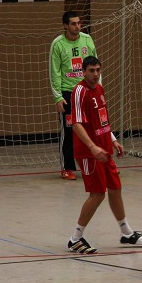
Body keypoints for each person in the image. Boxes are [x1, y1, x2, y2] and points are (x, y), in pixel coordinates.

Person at [66, 57, 142, 254]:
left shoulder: (100, 89)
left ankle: (126, 232)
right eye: (91, 71)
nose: (95, 74)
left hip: (105, 150)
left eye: (98, 70)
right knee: (97, 194)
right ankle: (75, 238)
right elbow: (77, 124)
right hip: (90, 153)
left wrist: (112, 140)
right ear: (83, 71)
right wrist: (93, 148)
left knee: (115, 188)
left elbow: (102, 121)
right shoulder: (79, 91)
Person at [50, 10, 96, 181]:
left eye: (79, 23)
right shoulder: (58, 44)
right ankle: (67, 167)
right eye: (73, 23)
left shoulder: (87, 39)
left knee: (93, 128)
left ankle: (95, 163)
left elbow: (95, 65)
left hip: (86, 91)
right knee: (69, 131)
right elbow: (54, 72)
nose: (77, 26)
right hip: (68, 93)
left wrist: (97, 89)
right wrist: (58, 97)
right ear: (65, 26)